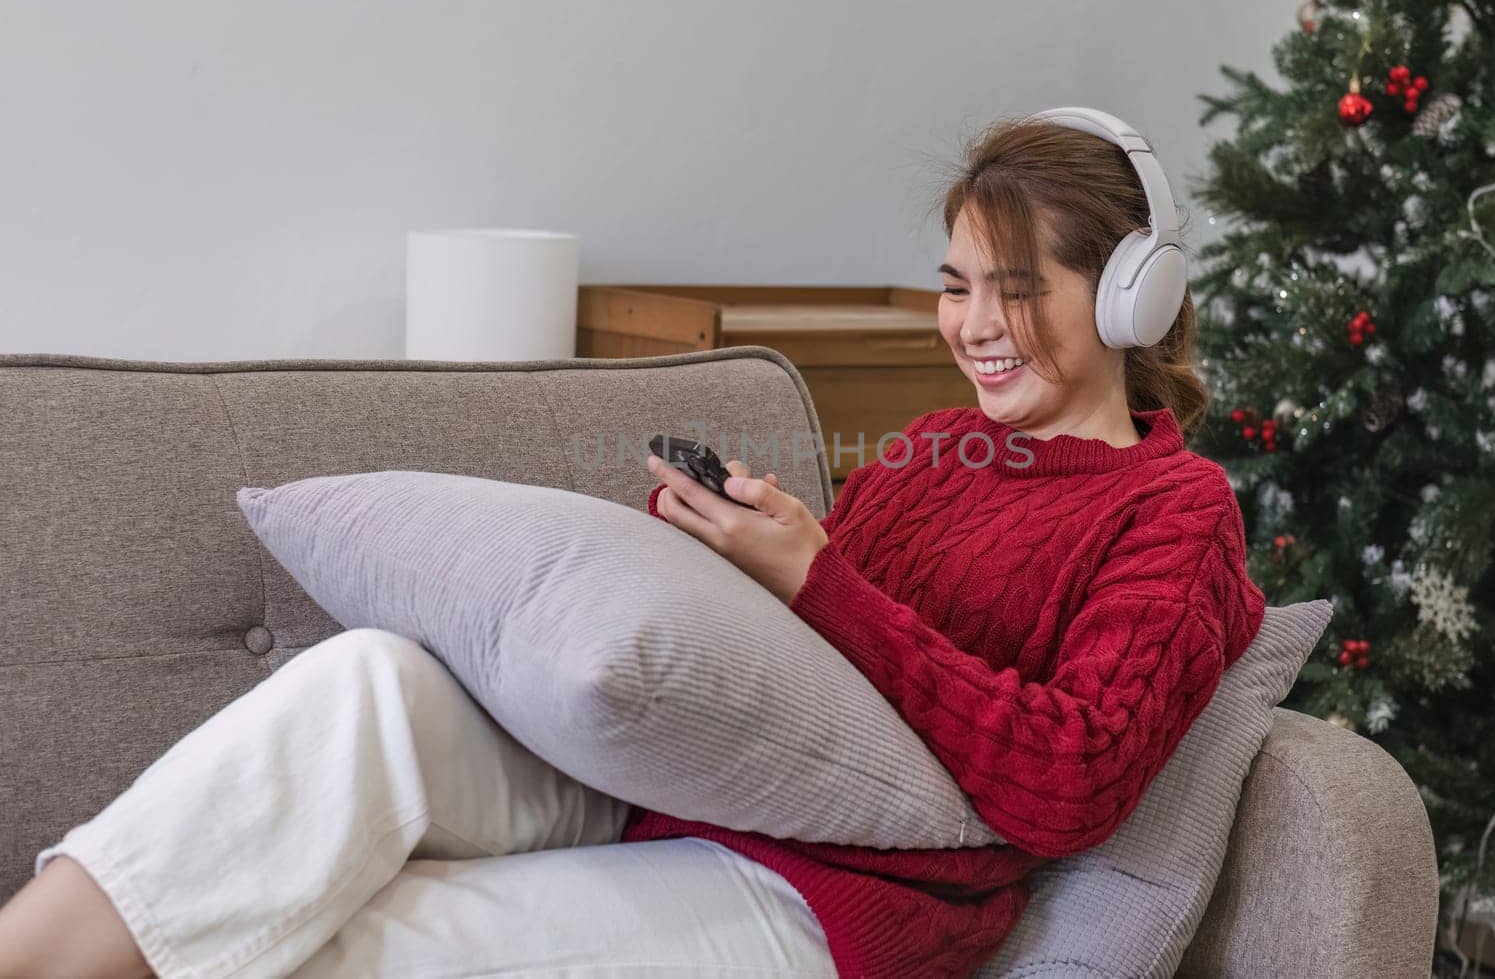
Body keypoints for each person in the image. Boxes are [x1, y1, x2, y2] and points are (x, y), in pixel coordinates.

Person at [0, 111, 1265, 979]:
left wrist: (814, 577)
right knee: (364, 682)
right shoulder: (940, 446)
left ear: (1124, 296)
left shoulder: (1176, 512)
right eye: (954, 284)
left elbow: (1068, 779)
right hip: (690, 790)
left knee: (373, 932)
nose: (974, 326)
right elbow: (807, 659)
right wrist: (724, 563)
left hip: (855, 900)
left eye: (1019, 288)